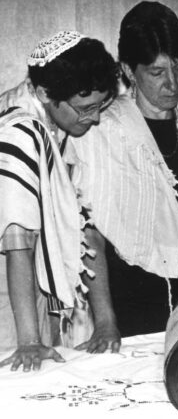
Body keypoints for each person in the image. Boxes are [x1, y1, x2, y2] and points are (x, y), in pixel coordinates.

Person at [70, 1, 178, 349]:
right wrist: (105, 322)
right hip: (126, 303)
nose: (172, 83)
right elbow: (90, 233)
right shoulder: (101, 132)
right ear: (129, 71)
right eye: (157, 73)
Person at [0, 31, 119, 371]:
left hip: (26, 284)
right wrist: (29, 341)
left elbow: (85, 223)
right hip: (10, 292)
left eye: (101, 106)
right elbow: (16, 239)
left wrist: (106, 321)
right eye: (86, 108)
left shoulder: (56, 122)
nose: (94, 118)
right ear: (44, 94)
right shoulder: (20, 130)